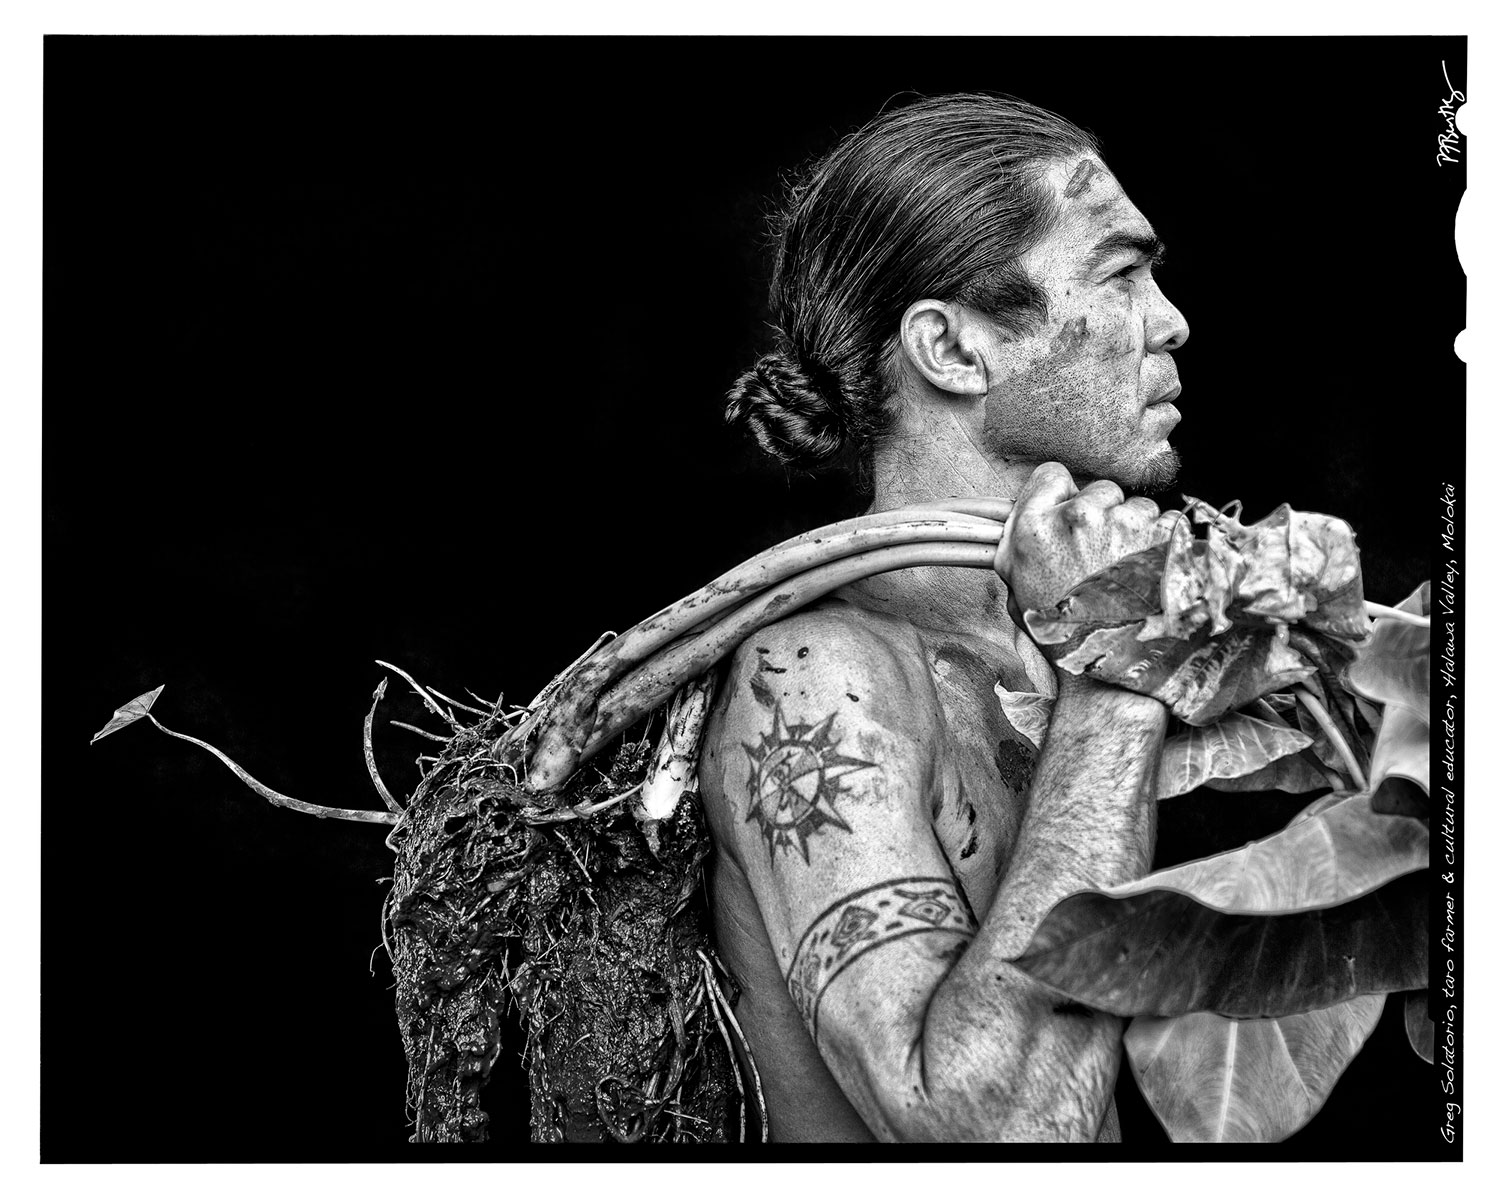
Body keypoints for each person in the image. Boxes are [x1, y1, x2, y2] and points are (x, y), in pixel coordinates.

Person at [699, 92, 1191, 1142]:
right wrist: (1118, 672)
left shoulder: (1041, 656)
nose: (1169, 321)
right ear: (952, 350)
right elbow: (995, 1132)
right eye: (1121, 274)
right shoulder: (818, 678)